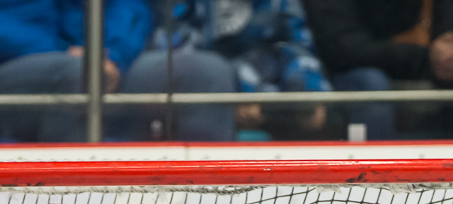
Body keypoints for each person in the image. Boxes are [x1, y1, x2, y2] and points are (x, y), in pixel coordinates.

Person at [113, 0, 332, 141]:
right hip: (203, 97)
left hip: (265, 97)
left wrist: (307, 92)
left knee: (327, 114)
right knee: (206, 73)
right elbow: (176, 45)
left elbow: (293, 42)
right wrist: (239, 92)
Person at [0, 0, 152, 142]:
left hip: (96, 58)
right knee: (79, 73)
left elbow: (129, 6)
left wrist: (111, 53)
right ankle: (75, 183)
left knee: (166, 72)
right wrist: (59, 49)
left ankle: (139, 180)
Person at [304, 0, 453, 139]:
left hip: (425, 65)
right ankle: (370, 182)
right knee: (370, 84)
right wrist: (427, 58)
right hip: (351, 70)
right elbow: (341, 49)